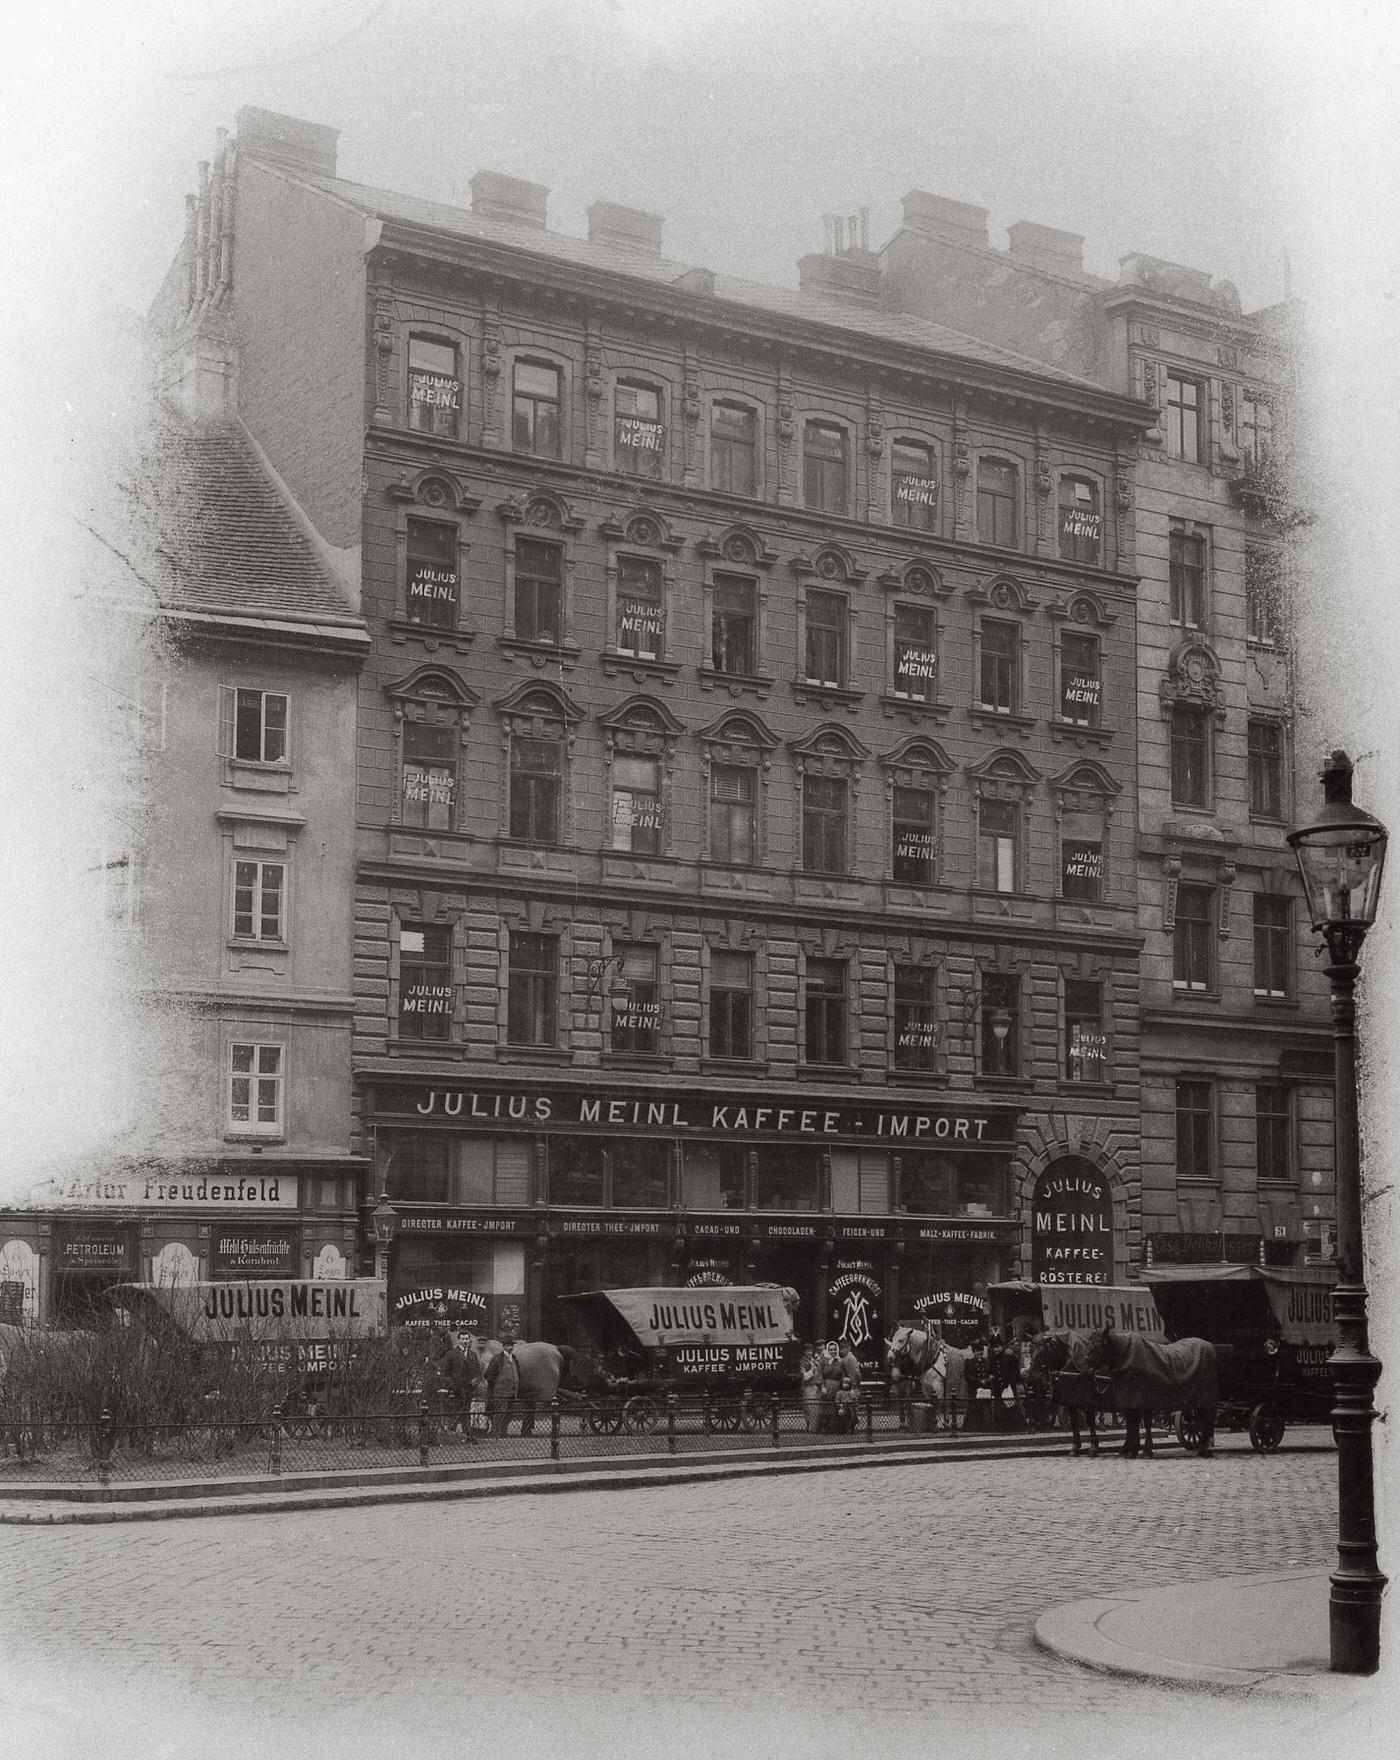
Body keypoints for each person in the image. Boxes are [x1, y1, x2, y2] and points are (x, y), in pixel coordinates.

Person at [488, 1335, 520, 1438]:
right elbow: (489, 1375)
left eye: (512, 1345)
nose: (510, 1348)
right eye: (508, 1345)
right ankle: (494, 1434)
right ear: (503, 1346)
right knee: (499, 1414)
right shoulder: (497, 1359)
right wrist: (498, 1385)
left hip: (512, 1392)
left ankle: (503, 1434)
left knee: (509, 1415)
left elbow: (518, 1374)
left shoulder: (514, 1359)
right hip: (500, 1393)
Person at [799, 1344, 822, 1432]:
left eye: (811, 1351)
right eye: (808, 1351)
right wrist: (812, 1370)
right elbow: (804, 1377)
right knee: (811, 1409)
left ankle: (813, 1427)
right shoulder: (803, 1362)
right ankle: (812, 1429)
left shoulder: (813, 1361)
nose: (810, 1353)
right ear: (804, 1352)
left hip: (815, 1387)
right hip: (808, 1387)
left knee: (815, 1409)